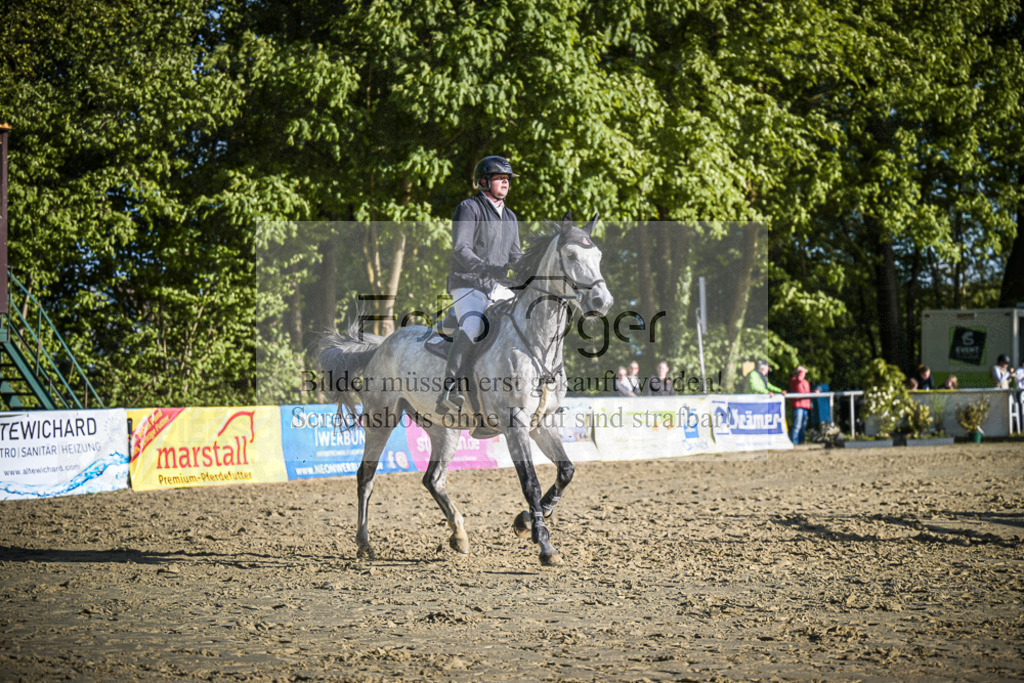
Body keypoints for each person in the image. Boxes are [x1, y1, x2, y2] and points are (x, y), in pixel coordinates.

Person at [437, 156, 523, 414]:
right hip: (468, 283)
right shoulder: (469, 208)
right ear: (484, 182)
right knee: (475, 326)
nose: (506, 183)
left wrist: (530, 273)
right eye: (500, 178)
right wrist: (486, 268)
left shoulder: (510, 216)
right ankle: (449, 389)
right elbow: (461, 249)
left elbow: (515, 256)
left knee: (524, 319)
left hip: (496, 286)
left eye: (507, 179)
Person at [788, 365, 811, 444]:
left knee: (803, 426)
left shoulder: (805, 381)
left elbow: (807, 393)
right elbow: (799, 380)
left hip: (805, 406)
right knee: (797, 425)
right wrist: (802, 371)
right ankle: (795, 441)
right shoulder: (794, 380)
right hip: (798, 406)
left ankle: (801, 441)